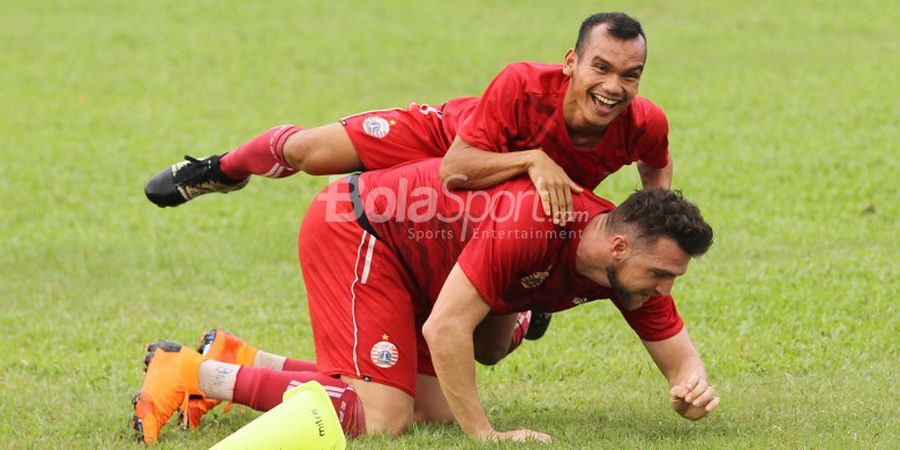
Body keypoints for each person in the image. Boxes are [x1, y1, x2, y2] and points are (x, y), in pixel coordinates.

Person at [132, 158, 718, 445]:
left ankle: (245, 359)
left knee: (432, 408)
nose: (664, 289)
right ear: (618, 246)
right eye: (662, 274)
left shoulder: (629, 269)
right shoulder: (536, 226)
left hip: (425, 271)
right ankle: (192, 372)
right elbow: (445, 329)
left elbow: (681, 359)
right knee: (384, 417)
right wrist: (485, 434)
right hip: (363, 231)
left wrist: (691, 392)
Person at [144, 12, 670, 226]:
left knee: (499, 291)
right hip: (446, 138)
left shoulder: (645, 122)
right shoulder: (523, 84)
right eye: (601, 68)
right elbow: (457, 167)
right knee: (306, 152)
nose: (613, 87)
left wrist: (655, 211)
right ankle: (223, 168)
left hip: (499, 205)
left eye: (630, 75)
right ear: (571, 62)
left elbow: (656, 167)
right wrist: (535, 159)